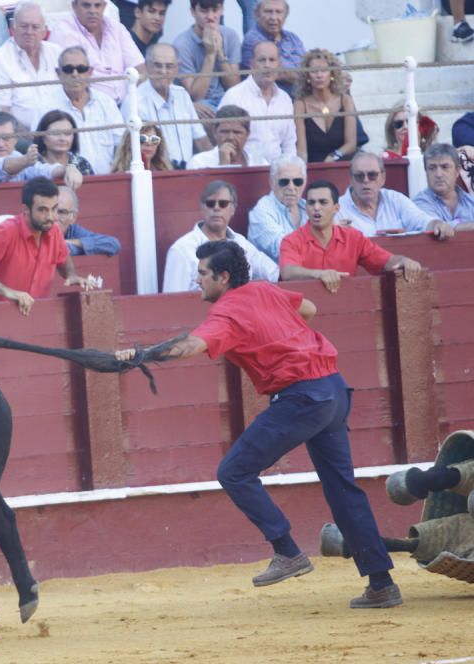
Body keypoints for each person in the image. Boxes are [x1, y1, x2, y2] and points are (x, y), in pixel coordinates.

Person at [114, 239, 404, 608]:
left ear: (223, 276)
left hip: (302, 398)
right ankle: (381, 583)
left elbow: (192, 345)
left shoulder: (227, 312)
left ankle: (287, 550)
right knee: (343, 490)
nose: (196, 280)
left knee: (234, 471)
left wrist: (141, 356)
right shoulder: (264, 290)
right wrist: (278, 334)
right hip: (332, 389)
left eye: (202, 273)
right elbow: (310, 308)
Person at [0, 177, 92, 315]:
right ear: (26, 209)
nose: (51, 217)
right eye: (43, 210)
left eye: (54, 209)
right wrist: (7, 291)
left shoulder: (53, 231)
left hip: (31, 319)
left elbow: (63, 257)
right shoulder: (6, 231)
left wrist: (71, 274)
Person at [279, 180, 424, 294]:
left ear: (336, 208)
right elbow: (287, 272)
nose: (316, 207)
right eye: (311, 203)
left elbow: (385, 261)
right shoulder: (291, 241)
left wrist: (404, 260)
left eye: (323, 202)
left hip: (346, 305)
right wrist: (319, 274)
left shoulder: (353, 238)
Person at [163, 179, 276, 292]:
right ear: (202, 208)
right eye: (210, 203)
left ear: (233, 209)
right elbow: (171, 301)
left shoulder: (240, 242)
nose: (216, 208)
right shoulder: (181, 250)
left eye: (223, 204)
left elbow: (273, 273)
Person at [38, 46, 122, 175]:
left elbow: (121, 145)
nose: (75, 74)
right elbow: (40, 153)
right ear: (58, 73)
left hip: (107, 182)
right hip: (64, 185)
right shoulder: (46, 107)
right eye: (68, 69)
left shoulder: (106, 103)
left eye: (81, 69)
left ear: (90, 72)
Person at [0, 1, 63, 131]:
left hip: (61, 132)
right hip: (20, 138)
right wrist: (33, 140)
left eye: (35, 27)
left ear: (44, 31)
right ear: (12, 28)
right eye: (24, 26)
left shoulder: (57, 53)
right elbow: (1, 114)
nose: (29, 32)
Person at [129, 42, 210, 169]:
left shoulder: (182, 95)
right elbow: (133, 150)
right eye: (157, 66)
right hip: (156, 174)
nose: (163, 71)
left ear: (177, 68)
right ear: (146, 67)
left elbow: (200, 138)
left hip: (187, 173)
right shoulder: (135, 101)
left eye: (169, 66)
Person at [338, 151, 454, 240]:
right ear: (351, 179)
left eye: (372, 175)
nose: (366, 180)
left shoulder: (395, 199)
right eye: (359, 176)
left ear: (382, 178)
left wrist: (437, 224)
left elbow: (422, 221)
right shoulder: (338, 209)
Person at [49, 0, 145, 105]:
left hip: (127, 104)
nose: (93, 11)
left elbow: (140, 68)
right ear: (74, 6)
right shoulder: (64, 31)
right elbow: (72, 79)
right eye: (86, 5)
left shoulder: (116, 28)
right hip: (89, 105)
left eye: (97, 5)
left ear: (104, 6)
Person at [0, 111, 83, 188]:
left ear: (15, 138)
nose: (0, 144)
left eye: (6, 138)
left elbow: (44, 170)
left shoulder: (18, 156)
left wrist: (69, 168)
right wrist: (25, 161)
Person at [218, 41, 295, 163]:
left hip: (278, 173)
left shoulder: (285, 99)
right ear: (252, 64)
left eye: (272, 60)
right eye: (262, 60)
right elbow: (223, 139)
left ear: (279, 65)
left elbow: (289, 144)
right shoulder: (234, 96)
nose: (267, 65)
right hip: (245, 171)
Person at [173, 0, 241, 117]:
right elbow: (197, 95)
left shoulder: (231, 35)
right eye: (204, 11)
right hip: (199, 103)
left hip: (226, 98)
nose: (210, 17)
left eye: (215, 10)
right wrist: (210, 55)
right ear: (193, 12)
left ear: (221, 11)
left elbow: (234, 87)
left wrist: (219, 52)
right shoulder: (181, 44)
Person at [293, 49, 356, 164]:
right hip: (314, 166)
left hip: (342, 163)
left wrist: (333, 157)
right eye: (314, 71)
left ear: (332, 74)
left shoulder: (346, 100)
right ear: (307, 76)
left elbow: (351, 144)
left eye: (324, 70)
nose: (319, 75)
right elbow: (301, 150)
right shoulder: (300, 104)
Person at [247, 155, 306, 262]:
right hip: (275, 277)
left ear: (304, 183)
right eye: (284, 182)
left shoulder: (309, 207)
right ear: (272, 183)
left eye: (297, 181)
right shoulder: (262, 211)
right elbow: (284, 248)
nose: (291, 187)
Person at [239, 0, 304, 97]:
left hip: (298, 97)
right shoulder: (252, 39)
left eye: (278, 12)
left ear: (285, 16)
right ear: (257, 14)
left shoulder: (293, 38)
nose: (273, 17)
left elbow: (307, 69)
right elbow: (276, 73)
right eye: (268, 11)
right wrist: (303, 76)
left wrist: (304, 75)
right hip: (264, 98)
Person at [413, 143, 474, 230]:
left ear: (457, 171)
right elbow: (437, 229)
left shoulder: (470, 202)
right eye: (432, 168)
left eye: (445, 167)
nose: (438, 174)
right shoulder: (419, 203)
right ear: (426, 172)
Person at [187, 105, 268, 170]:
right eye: (225, 132)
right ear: (215, 132)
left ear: (247, 134)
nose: (230, 137)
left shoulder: (260, 163)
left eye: (237, 132)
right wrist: (223, 165)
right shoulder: (198, 163)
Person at [56, 185, 121, 256]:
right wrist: (78, 248)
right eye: (52, 210)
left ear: (73, 217)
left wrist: (73, 242)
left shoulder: (73, 231)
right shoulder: (44, 226)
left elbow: (113, 244)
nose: (54, 217)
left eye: (61, 212)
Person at [35, 110, 95, 177]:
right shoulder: (33, 165)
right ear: (43, 137)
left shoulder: (82, 163)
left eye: (67, 133)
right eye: (55, 133)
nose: (62, 138)